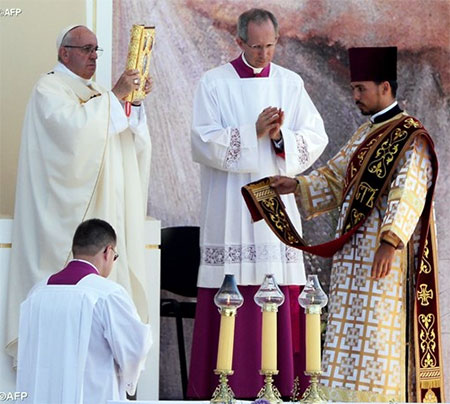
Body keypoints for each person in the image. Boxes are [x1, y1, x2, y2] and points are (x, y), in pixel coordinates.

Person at [270, 47, 444, 402]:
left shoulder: (411, 137)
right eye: (352, 89)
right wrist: (297, 185)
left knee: (378, 333)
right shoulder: (366, 132)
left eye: (360, 89)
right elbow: (336, 178)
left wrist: (390, 242)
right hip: (352, 254)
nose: (355, 97)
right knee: (349, 333)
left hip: (384, 260)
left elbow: (409, 188)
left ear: (384, 87)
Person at [189, 8, 328, 398]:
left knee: (276, 280)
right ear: (238, 42)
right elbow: (201, 141)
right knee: (229, 281)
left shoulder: (290, 83)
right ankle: (222, 387)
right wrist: (251, 132)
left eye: (270, 45)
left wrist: (281, 139)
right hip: (230, 204)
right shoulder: (213, 83)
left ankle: (282, 386)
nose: (265, 54)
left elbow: (315, 137)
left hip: (274, 204)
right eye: (256, 46)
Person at [5, 25, 152, 362]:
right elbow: (72, 139)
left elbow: (124, 140)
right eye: (86, 49)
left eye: (96, 49)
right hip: (64, 220)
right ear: (64, 52)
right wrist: (116, 98)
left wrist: (135, 104)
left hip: (106, 213)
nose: (93, 56)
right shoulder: (49, 89)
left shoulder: (99, 92)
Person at [16, 219, 152, 404]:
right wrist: (130, 377)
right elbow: (135, 347)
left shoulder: (37, 292)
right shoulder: (108, 294)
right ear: (108, 251)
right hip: (91, 397)